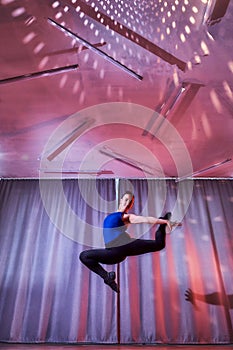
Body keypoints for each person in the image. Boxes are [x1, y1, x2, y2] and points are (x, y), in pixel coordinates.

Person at [79, 191, 182, 293]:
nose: (127, 203)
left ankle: (162, 224)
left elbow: (145, 219)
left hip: (124, 245)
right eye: (126, 200)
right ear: (121, 200)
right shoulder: (114, 215)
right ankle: (108, 278)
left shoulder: (126, 217)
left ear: (131, 205)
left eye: (130, 202)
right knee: (84, 256)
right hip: (112, 253)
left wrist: (163, 221)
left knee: (159, 245)